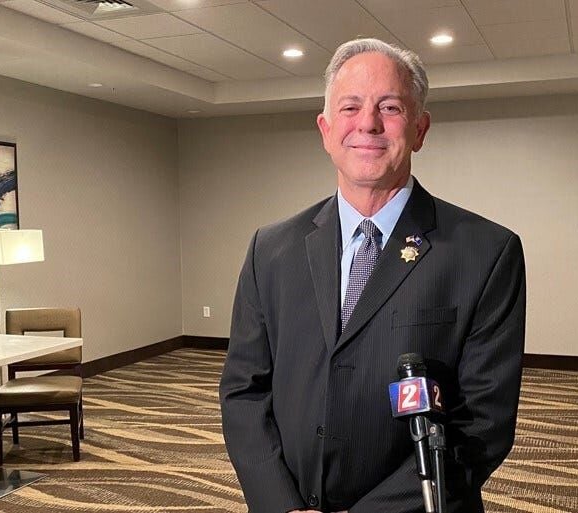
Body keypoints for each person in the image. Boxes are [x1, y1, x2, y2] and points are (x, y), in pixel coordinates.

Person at [219, 38, 526, 513]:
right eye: (350, 106)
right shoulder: (270, 249)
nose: (368, 123)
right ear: (325, 129)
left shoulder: (487, 252)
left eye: (390, 106)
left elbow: (482, 425)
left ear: (420, 129)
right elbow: (243, 392)